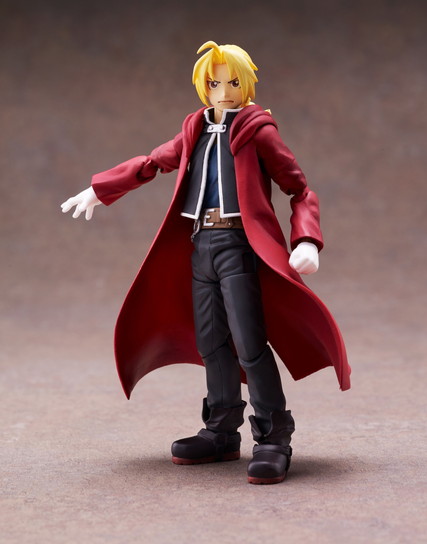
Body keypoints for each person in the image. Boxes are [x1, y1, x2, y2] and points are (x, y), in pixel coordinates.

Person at [61, 41, 351, 485]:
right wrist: (101, 189)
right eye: (215, 83)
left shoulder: (257, 131)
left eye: (233, 83)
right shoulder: (195, 129)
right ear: (203, 86)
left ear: (246, 83)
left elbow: (299, 189)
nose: (223, 92)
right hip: (201, 244)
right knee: (211, 342)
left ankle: (273, 437)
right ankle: (221, 429)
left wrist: (307, 239)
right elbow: (153, 162)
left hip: (238, 244)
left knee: (249, 341)